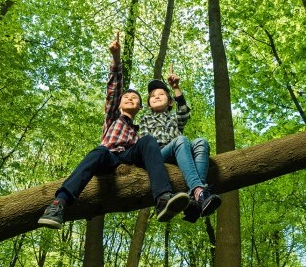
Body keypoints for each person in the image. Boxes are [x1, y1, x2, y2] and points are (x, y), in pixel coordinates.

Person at [38, 35, 189, 229]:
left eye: (134, 98)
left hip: (130, 158)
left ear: (141, 107)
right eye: (126, 97)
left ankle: (162, 198)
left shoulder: (140, 131)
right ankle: (59, 204)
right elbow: (114, 90)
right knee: (99, 150)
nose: (129, 98)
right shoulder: (113, 117)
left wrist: (175, 90)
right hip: (108, 157)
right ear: (118, 104)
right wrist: (116, 58)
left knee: (149, 140)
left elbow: (174, 124)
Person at [139, 70, 222, 223]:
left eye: (161, 94)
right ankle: (199, 191)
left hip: (179, 154)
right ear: (149, 104)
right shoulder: (145, 119)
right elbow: (145, 143)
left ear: (170, 101)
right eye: (152, 96)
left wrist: (176, 87)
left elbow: (183, 111)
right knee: (181, 139)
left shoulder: (173, 118)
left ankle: (194, 198)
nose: (156, 96)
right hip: (160, 155)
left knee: (201, 142)